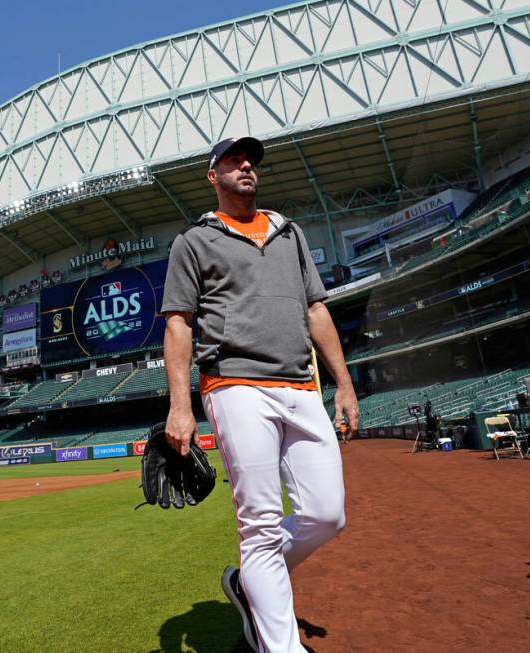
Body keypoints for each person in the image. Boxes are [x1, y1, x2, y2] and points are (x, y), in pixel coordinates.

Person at [161, 136, 360, 653]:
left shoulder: (289, 233)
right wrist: (180, 407)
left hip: (299, 383)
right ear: (213, 175)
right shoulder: (194, 241)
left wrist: (344, 383)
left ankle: (252, 582)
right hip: (234, 384)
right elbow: (179, 324)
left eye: (251, 160)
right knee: (261, 524)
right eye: (233, 160)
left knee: (327, 514)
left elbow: (316, 310)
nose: (246, 166)